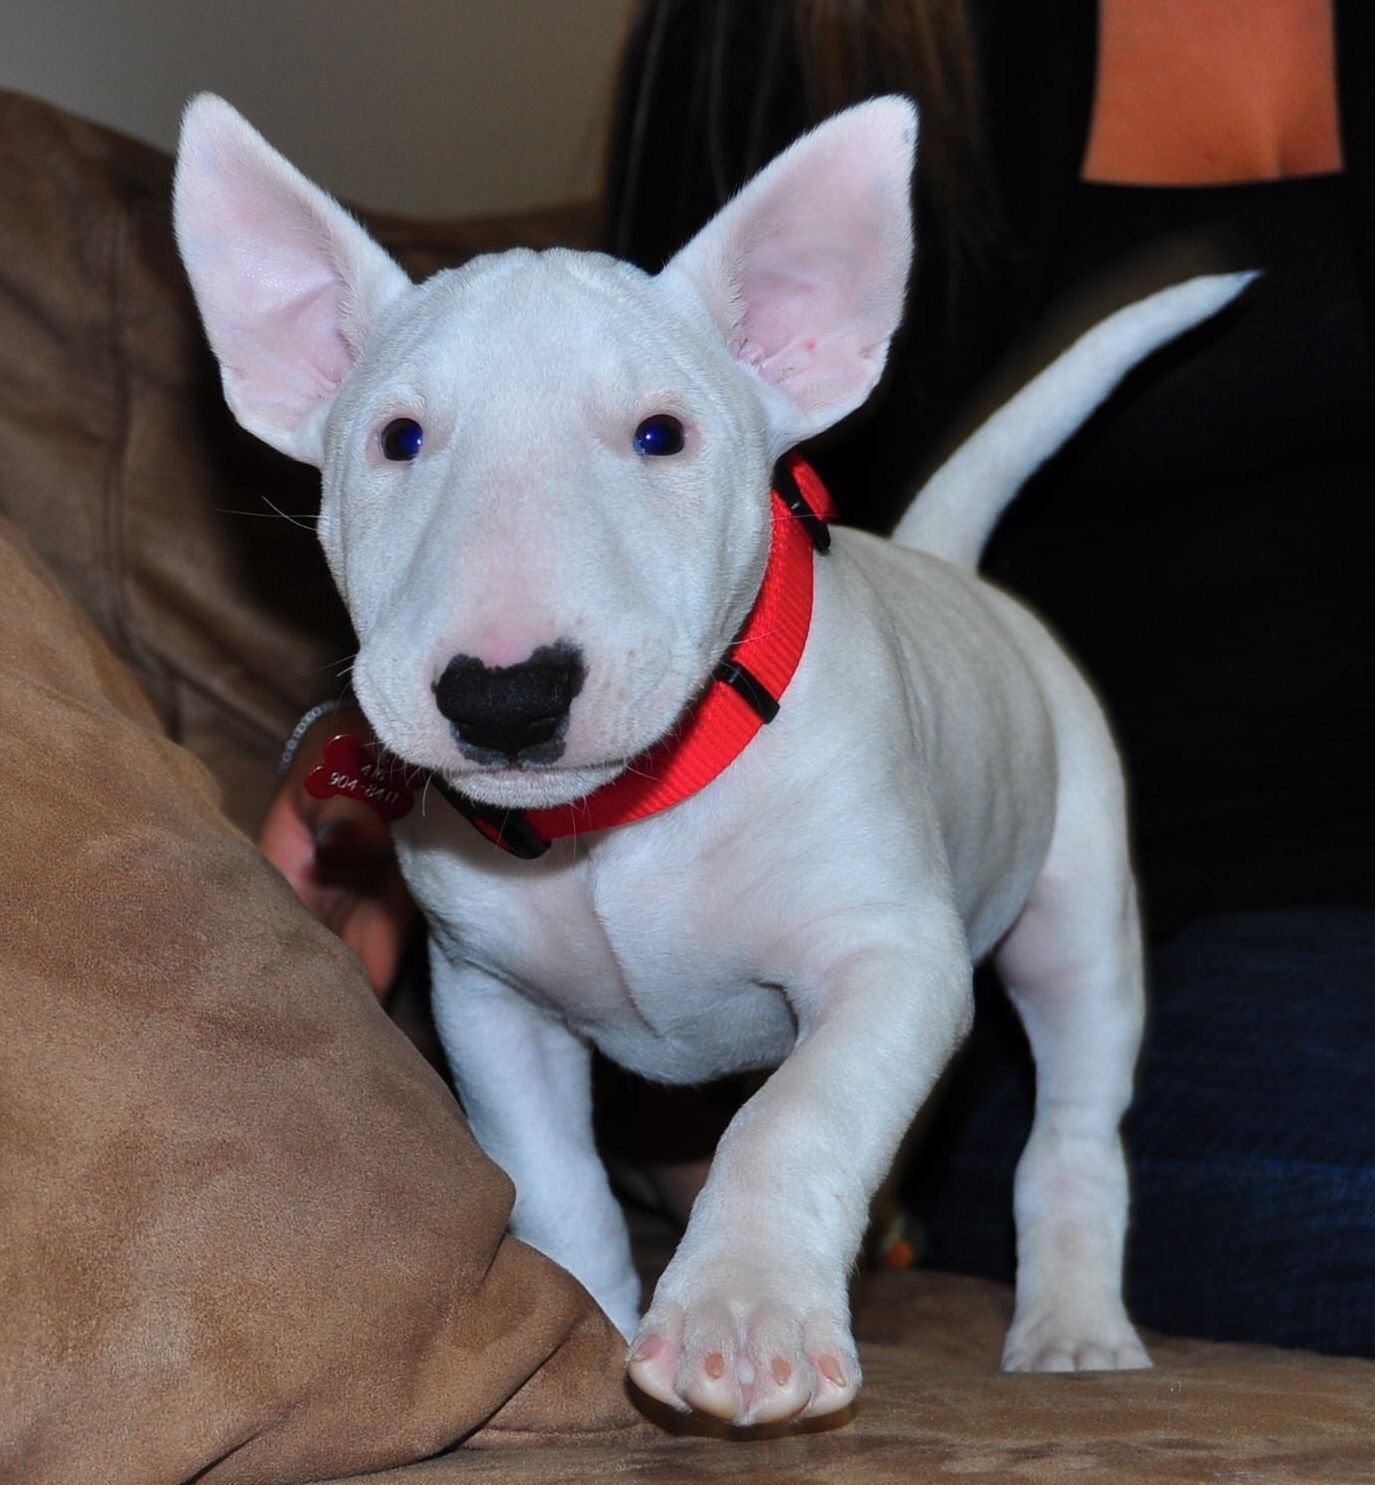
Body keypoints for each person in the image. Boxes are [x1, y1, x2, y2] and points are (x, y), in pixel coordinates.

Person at [267, 0, 1375, 1355]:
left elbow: (897, 964)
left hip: (1119, 787)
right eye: (396, 439)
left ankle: (1074, 1219)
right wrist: (361, 746)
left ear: (808, 330)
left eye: (658, 432)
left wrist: (780, 1197)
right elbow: (568, 448)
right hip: (1198, 924)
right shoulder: (792, 33)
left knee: (1077, 1002)